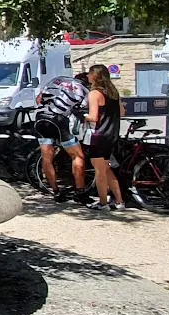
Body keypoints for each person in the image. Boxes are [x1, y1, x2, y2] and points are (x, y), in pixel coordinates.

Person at [33, 70, 91, 201]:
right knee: (77, 156)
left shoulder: (57, 79)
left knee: (47, 158)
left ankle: (56, 191)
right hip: (58, 120)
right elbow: (85, 109)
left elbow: (39, 99)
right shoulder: (84, 90)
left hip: (41, 118)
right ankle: (80, 192)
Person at [83, 64, 125, 210]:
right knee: (107, 168)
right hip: (111, 133)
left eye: (89, 74)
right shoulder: (113, 92)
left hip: (98, 135)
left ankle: (103, 203)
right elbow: (122, 112)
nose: (87, 76)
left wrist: (82, 115)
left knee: (100, 171)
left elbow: (94, 117)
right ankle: (119, 201)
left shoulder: (94, 93)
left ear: (95, 76)